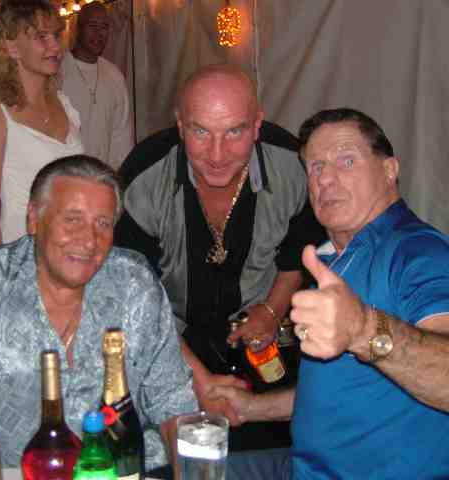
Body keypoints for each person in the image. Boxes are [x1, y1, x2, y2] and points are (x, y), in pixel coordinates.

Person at [0, 155, 197, 478]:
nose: (89, 240)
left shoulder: (135, 284)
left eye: (103, 223)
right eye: (72, 219)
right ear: (33, 219)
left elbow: (172, 400)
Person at [212, 108, 449, 479]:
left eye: (347, 161)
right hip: (300, 467)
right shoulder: (332, 260)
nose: (326, 178)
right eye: (316, 167)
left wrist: (364, 329)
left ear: (389, 170)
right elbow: (334, 391)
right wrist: (250, 408)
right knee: (183, 466)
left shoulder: (416, 252)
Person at [114, 63, 326, 451]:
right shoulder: (143, 177)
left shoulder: (292, 166)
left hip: (262, 333)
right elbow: (133, 294)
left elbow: (300, 250)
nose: (217, 154)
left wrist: (272, 311)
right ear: (180, 126)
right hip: (170, 339)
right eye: (200, 132)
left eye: (234, 132)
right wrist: (199, 380)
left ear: (257, 125)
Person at [0, 0, 83, 246]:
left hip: (69, 249)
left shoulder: (65, 104)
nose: (55, 46)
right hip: (20, 252)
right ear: (12, 47)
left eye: (57, 35)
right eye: (42, 37)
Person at [58, 1, 134, 170]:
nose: (98, 34)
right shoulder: (58, 71)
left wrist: (120, 174)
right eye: (92, 26)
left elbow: (121, 134)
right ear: (78, 29)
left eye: (104, 27)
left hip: (102, 175)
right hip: (65, 174)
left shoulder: (114, 75)